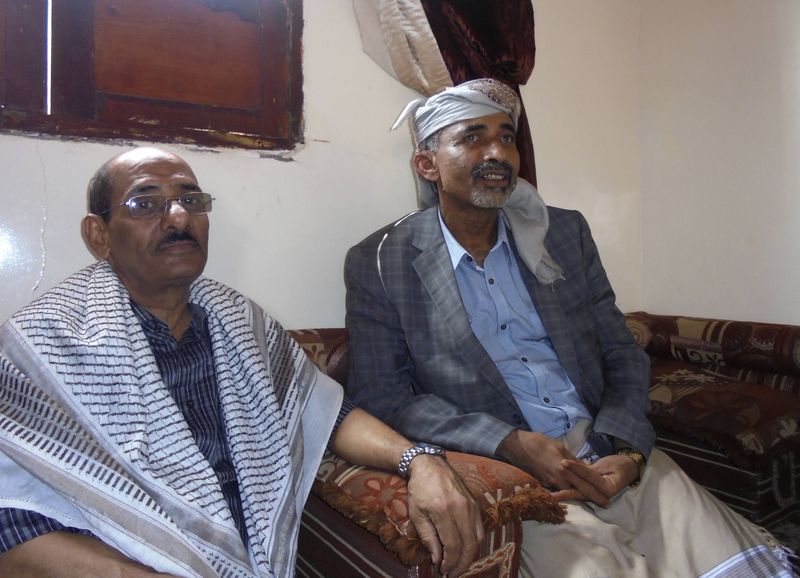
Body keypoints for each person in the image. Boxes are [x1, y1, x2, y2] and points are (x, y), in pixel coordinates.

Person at [344, 78, 795, 577]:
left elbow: (621, 353)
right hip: (511, 474)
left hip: (605, 451)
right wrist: (508, 441)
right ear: (427, 165)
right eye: (472, 138)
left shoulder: (563, 234)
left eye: (506, 137)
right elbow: (383, 395)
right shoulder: (382, 262)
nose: (498, 153)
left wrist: (627, 449)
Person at [0, 147, 483, 578]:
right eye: (145, 204)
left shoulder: (240, 321)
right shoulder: (42, 343)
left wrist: (419, 459)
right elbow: (12, 525)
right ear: (99, 234)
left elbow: (327, 415)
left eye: (191, 200)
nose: (177, 218)